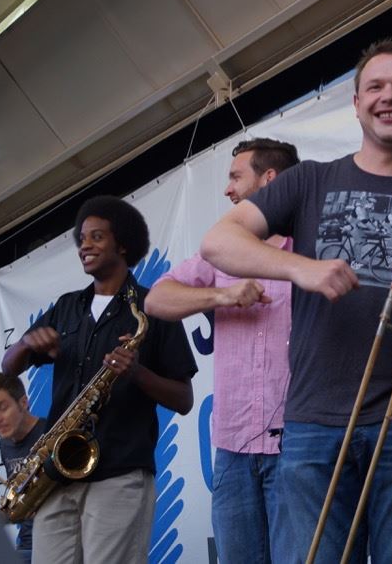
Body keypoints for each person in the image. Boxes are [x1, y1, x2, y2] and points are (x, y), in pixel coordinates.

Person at [201, 39, 392, 563]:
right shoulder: (310, 180)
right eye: (376, 87)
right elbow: (218, 243)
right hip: (314, 426)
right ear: (356, 104)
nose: (390, 97)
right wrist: (302, 267)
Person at [2, 195, 198, 564]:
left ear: (122, 244)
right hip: (55, 474)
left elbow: (183, 399)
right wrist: (27, 343)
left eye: (96, 237)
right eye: (82, 239)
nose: (85, 246)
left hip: (120, 472)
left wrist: (136, 372)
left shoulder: (154, 307)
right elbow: (9, 366)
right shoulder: (66, 307)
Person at [144, 137, 300, 563]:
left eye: (235, 177)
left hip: (298, 444)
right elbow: (156, 300)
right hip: (232, 450)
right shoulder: (219, 256)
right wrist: (222, 298)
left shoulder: (311, 252)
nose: (227, 190)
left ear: (269, 181)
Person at [0, 373, 44, 562]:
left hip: (55, 539)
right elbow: (19, 502)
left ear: (23, 403)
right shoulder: (5, 443)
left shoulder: (48, 432)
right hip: (26, 543)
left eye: (2, 407)